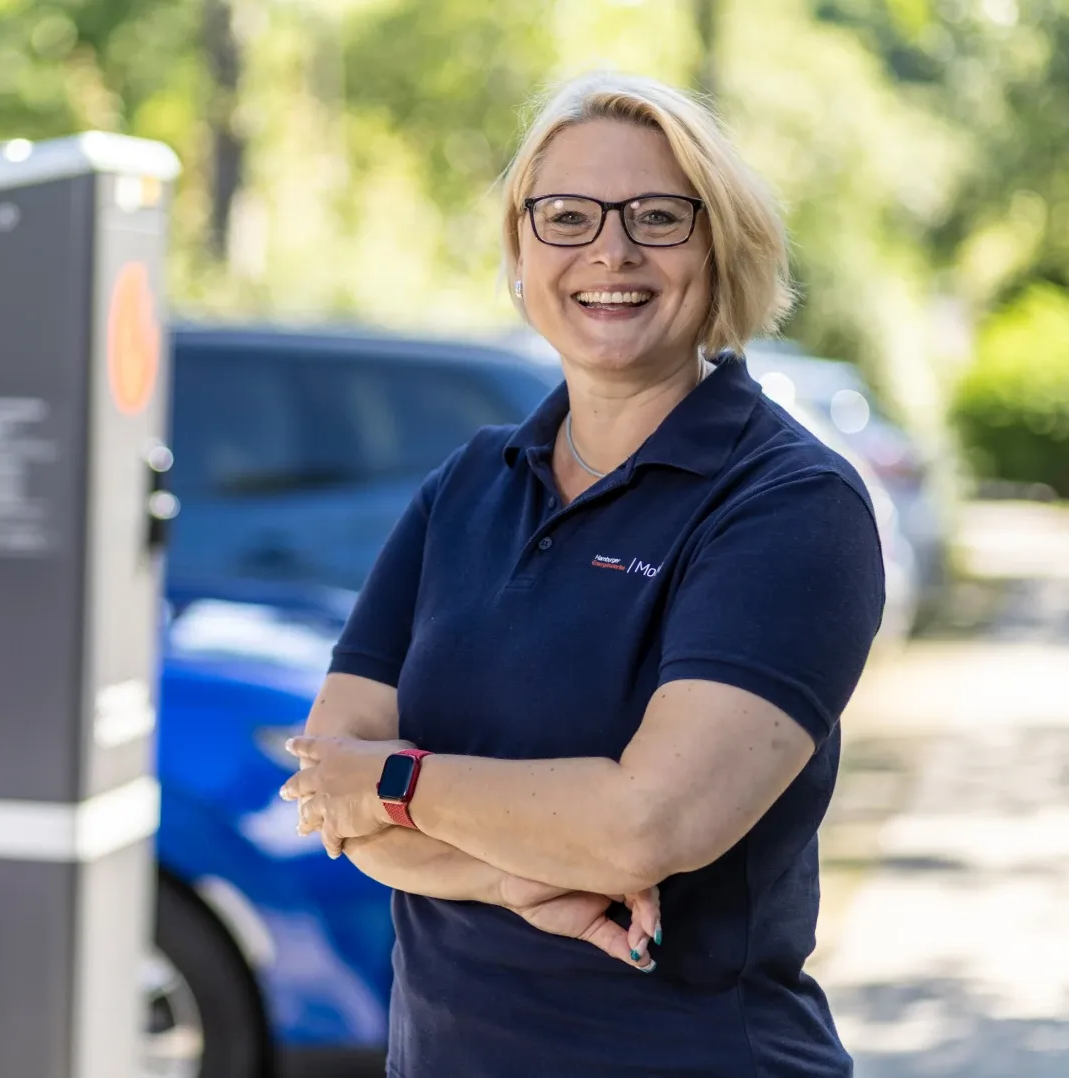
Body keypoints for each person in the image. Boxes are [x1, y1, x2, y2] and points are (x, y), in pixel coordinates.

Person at [279, 71, 885, 1077]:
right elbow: (324, 784)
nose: (610, 251)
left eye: (658, 216)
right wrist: (510, 872)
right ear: (519, 253)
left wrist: (395, 782)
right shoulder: (469, 482)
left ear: (719, 247)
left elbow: (645, 824)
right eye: (564, 217)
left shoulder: (789, 503)